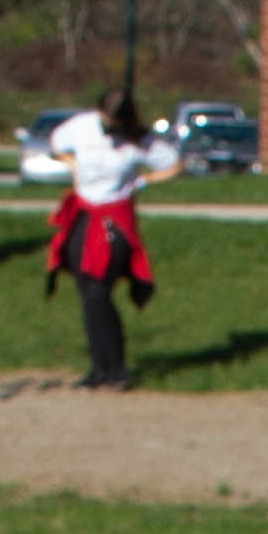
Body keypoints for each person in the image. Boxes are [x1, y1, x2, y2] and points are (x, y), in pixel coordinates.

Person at [43, 79, 176, 391]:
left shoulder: (137, 140)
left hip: (114, 219)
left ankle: (116, 367)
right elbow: (56, 144)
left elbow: (172, 162)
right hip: (84, 214)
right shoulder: (81, 127)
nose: (107, 127)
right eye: (104, 119)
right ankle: (98, 367)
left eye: (112, 122)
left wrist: (145, 181)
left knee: (98, 290)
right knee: (85, 290)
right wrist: (70, 162)